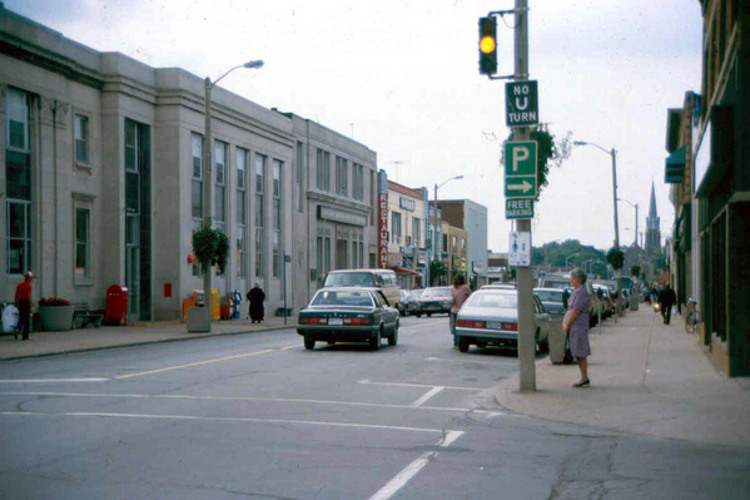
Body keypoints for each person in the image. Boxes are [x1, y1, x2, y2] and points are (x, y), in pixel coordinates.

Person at [563, 268, 591, 387]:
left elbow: (576, 310)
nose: (571, 281)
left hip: (578, 326)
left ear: (579, 280)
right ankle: (583, 377)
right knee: (577, 351)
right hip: (574, 327)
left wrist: (567, 323)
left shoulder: (581, 293)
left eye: (573, 279)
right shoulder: (576, 292)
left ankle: (584, 377)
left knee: (580, 352)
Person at [449, 274, 472, 348]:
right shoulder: (466, 288)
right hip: (463, 311)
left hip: (454, 310)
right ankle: (460, 343)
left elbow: (451, 299)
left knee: (454, 327)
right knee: (461, 328)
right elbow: (471, 296)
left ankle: (456, 344)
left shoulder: (452, 288)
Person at [15, 271, 34, 340]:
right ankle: (25, 335)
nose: (32, 279)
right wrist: (31, 306)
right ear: (28, 278)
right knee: (26, 320)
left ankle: (17, 328)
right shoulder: (28, 286)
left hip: (20, 302)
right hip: (26, 303)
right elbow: (29, 297)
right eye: (31, 278)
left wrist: (16, 302)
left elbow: (16, 294)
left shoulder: (19, 285)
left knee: (21, 318)